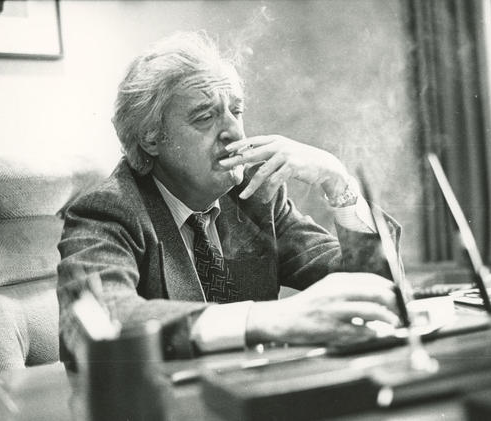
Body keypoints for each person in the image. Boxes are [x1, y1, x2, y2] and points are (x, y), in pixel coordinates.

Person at [57, 31, 403, 367]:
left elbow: (375, 283)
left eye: (236, 111)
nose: (234, 132)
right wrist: (265, 318)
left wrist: (338, 182)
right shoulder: (109, 209)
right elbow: (96, 320)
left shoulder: (254, 195)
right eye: (205, 117)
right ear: (151, 138)